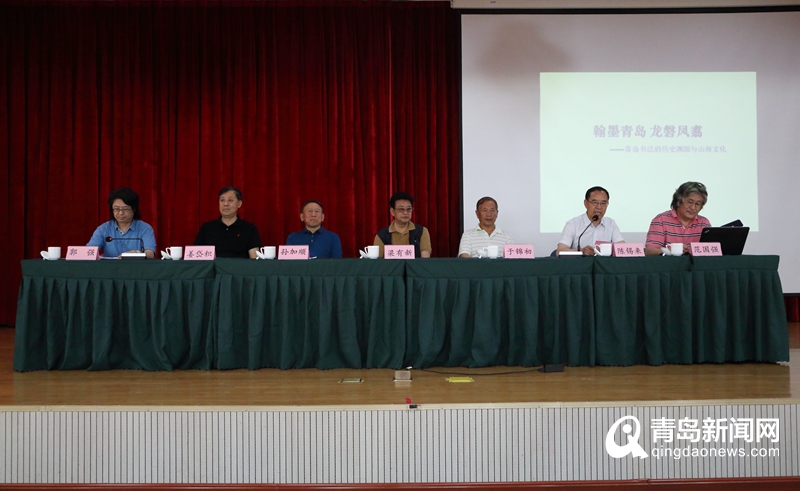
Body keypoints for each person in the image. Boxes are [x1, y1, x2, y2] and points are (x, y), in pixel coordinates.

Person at [87, 187, 157, 258]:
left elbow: (150, 254)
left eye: (125, 209)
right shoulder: (103, 229)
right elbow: (88, 252)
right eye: (116, 209)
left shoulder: (145, 228)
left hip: (135, 265)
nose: (120, 213)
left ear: (134, 209)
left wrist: (137, 253)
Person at [645, 181, 711, 256]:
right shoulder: (661, 220)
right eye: (690, 202)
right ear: (678, 201)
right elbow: (649, 251)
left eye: (697, 204)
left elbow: (712, 251)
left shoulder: (704, 223)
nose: (693, 207)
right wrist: (669, 251)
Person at [194, 186, 262, 258]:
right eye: (222, 200)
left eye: (230, 200)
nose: (225, 204)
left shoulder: (249, 229)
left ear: (239, 203)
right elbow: (196, 257)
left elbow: (254, 259)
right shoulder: (207, 228)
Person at [557, 186, 624, 256]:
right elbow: (560, 251)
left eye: (603, 203)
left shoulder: (611, 224)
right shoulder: (573, 224)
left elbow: (622, 248)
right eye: (594, 202)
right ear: (585, 203)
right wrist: (581, 251)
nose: (599, 207)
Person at [373, 192, 432, 258]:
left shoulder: (422, 232)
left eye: (409, 209)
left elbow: (425, 260)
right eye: (401, 209)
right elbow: (377, 262)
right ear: (392, 211)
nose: (405, 213)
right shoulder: (381, 235)